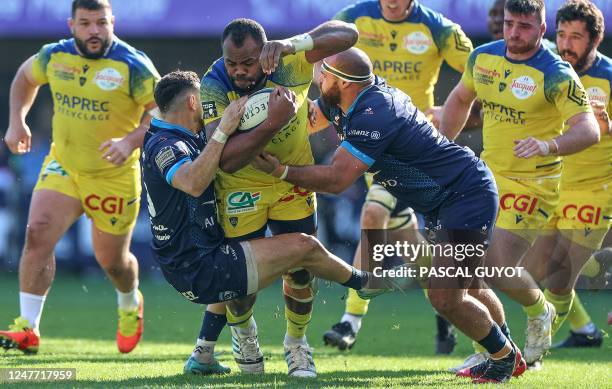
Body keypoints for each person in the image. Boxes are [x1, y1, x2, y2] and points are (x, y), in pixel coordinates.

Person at [253, 47, 526, 384]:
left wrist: (282, 172)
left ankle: (504, 358)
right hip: (445, 200)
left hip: (466, 195)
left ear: (343, 82)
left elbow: (338, 179)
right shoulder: (340, 99)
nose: (318, 78)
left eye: (324, 73)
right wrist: (259, 119)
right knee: (467, 285)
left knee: (443, 295)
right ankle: (505, 351)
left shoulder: (375, 112)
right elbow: (302, 123)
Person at [141, 70, 382, 376]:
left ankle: (203, 354)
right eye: (204, 100)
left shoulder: (176, 131)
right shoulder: (165, 145)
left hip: (197, 259)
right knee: (303, 247)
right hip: (200, 267)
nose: (210, 107)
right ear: (192, 102)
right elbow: (192, 182)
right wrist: (223, 130)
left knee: (246, 262)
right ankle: (364, 283)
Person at [439, 0, 599, 368]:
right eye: (510, 24)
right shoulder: (482, 59)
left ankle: (540, 311)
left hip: (534, 183)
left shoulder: (557, 73)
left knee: (495, 263)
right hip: (485, 178)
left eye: (524, 26)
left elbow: (588, 130)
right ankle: (496, 350)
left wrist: (549, 145)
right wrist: (443, 147)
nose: (514, 33)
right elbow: (460, 99)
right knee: (464, 269)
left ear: (543, 30)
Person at [197, 18, 359, 377]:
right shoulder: (213, 85)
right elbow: (225, 158)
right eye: (231, 62)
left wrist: (293, 43)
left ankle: (297, 344)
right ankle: (245, 334)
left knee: (301, 270)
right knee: (241, 278)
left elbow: (350, 34)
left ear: (266, 54)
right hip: (240, 189)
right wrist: (273, 120)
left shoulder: (291, 61)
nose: (239, 71)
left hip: (291, 182)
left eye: (248, 63)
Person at [0, 0, 159, 355]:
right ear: (71, 24)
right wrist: (17, 121)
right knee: (37, 233)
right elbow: (25, 78)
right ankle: (28, 329)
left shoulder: (134, 65)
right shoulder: (54, 56)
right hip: (65, 166)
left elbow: (163, 114)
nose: (94, 31)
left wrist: (130, 141)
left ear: (112, 22)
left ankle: (130, 302)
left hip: (113, 175)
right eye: (85, 23)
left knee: (113, 263)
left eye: (101, 23)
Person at [323, 0, 475, 354]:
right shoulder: (351, 18)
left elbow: (482, 73)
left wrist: (451, 109)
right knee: (405, 237)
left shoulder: (440, 29)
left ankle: (350, 321)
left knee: (374, 213)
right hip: (368, 141)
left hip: (411, 150)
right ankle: (446, 307)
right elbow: (321, 55)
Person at [519, 0, 611, 349]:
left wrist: (606, 125)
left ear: (595, 40)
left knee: (559, 279)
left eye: (576, 37)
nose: (566, 44)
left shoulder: (609, 77)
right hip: (553, 188)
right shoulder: (549, 71)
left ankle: (535, 351)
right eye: (561, 35)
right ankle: (582, 329)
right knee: (529, 271)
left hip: (593, 191)